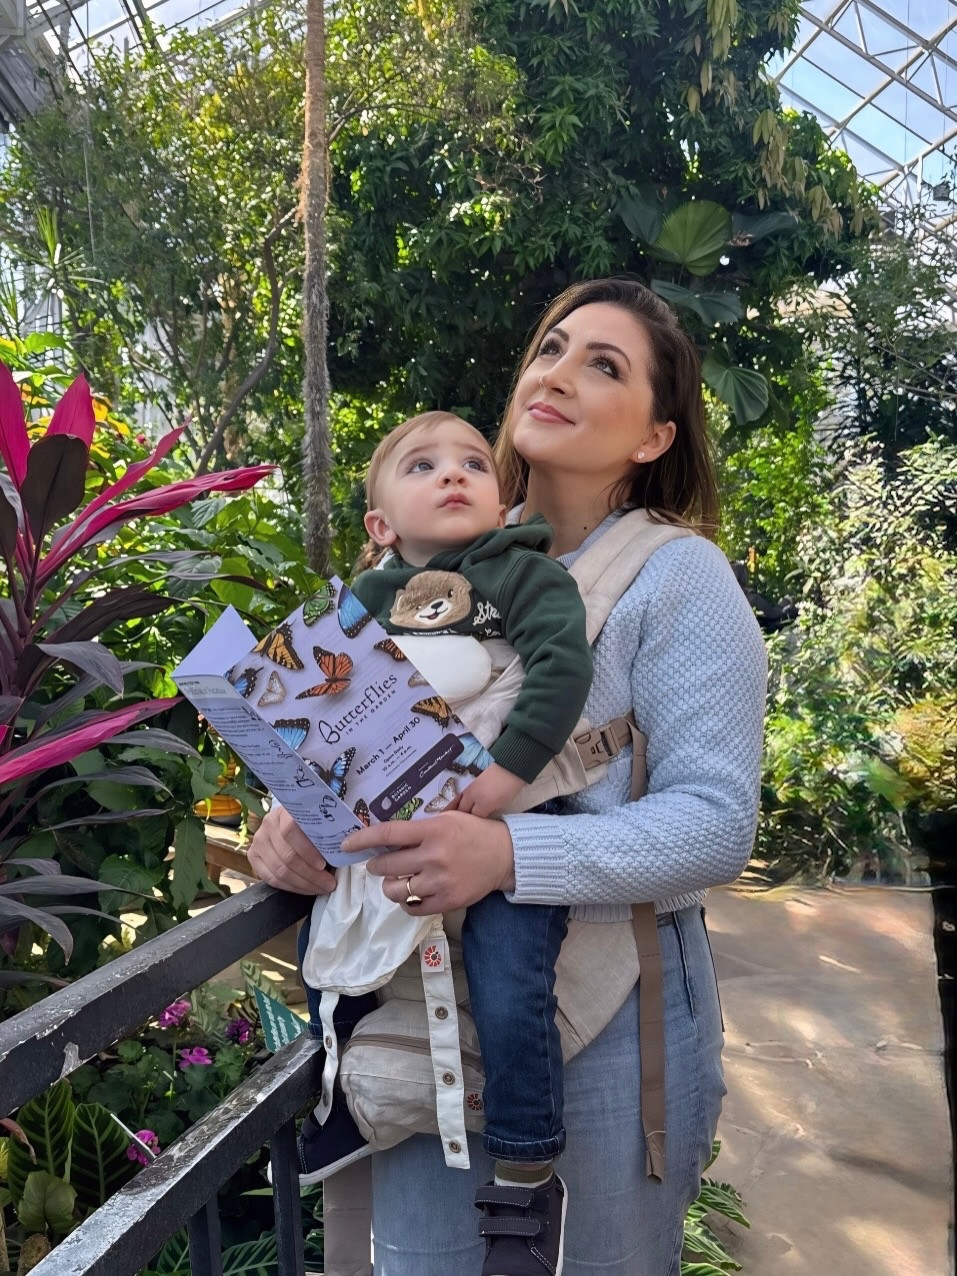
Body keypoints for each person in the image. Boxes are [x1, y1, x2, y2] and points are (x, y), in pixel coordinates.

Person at [249, 277, 768, 1276]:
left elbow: (715, 822)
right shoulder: (432, 552)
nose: (558, 373)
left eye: (603, 366)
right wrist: (291, 817)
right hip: (419, 999)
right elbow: (346, 726)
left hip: (608, 998)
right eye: (552, 349)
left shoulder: (678, 576)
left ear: (655, 436)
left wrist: (506, 853)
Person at [298, 411, 594, 1268]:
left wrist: (504, 776)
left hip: (510, 823)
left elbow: (561, 669)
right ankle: (335, 1100)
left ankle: (525, 1171)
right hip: (391, 824)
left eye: (472, 463)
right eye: (422, 466)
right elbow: (310, 712)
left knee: (509, 982)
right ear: (380, 523)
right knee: (331, 958)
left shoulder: (523, 572)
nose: (453, 473)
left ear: (502, 506)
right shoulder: (360, 600)